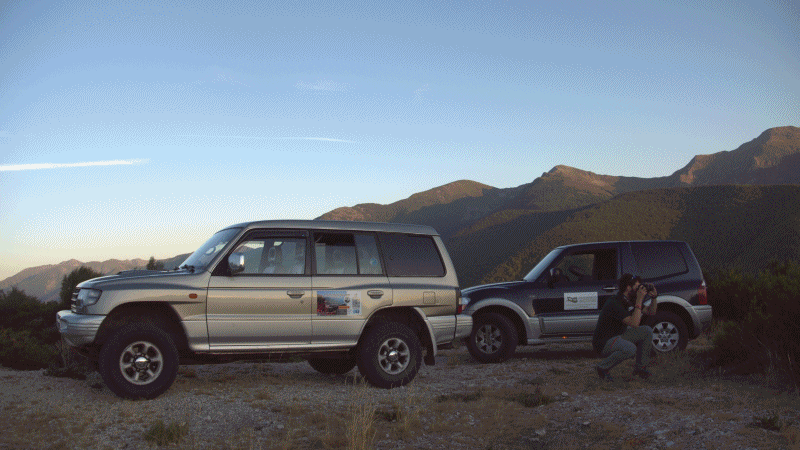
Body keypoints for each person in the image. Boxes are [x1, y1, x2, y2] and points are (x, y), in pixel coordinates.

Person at [592, 273, 658, 381]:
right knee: (630, 348)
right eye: (637, 287)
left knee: (647, 331)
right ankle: (602, 368)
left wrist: (654, 297)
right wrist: (639, 300)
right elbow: (634, 323)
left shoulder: (628, 300)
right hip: (604, 342)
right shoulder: (614, 303)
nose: (639, 291)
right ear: (628, 287)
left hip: (619, 336)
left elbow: (651, 312)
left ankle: (640, 369)